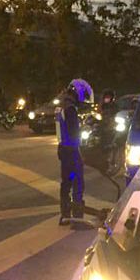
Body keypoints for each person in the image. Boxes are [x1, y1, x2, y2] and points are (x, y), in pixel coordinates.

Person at [55, 79, 92, 226]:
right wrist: (83, 129)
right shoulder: (70, 109)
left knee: (66, 182)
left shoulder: (61, 106)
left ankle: (65, 214)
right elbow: (73, 132)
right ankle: (77, 217)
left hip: (63, 149)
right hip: (72, 151)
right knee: (77, 182)